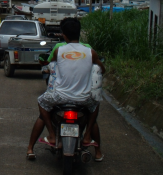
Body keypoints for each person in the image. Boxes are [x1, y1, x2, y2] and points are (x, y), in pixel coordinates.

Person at [26, 18, 105, 161]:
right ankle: (88, 137)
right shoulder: (90, 52)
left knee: (41, 103)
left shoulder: (59, 50)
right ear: (79, 33)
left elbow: (51, 67)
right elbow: (101, 69)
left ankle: (50, 134)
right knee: (95, 106)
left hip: (60, 97)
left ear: (64, 35)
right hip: (83, 99)